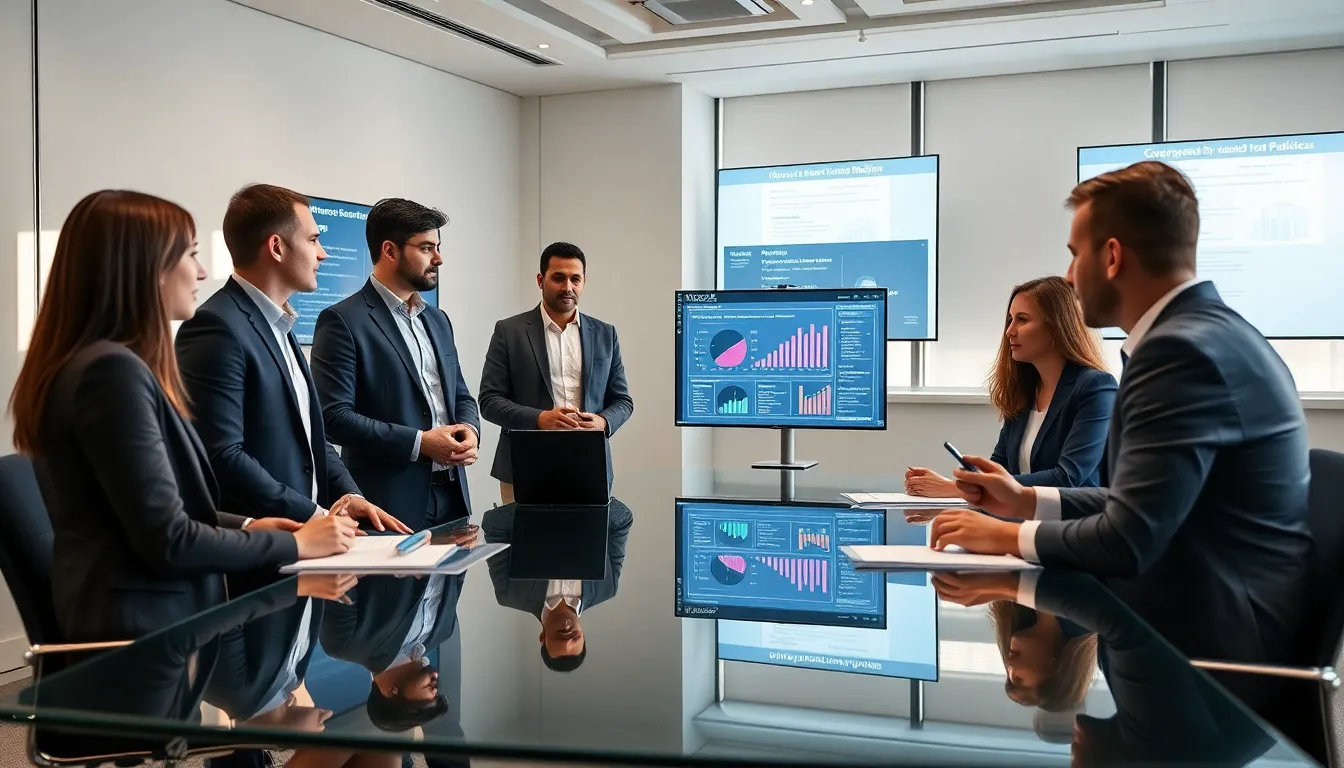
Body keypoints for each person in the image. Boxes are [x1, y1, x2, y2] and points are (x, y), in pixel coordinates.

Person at [928, 161, 1312, 673]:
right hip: (1202, 624)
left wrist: (1004, 535)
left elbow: (1129, 537)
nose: (1070, 276)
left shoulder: (1180, 353)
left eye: (1075, 255)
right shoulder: (1202, 334)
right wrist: (1024, 499)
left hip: (1211, 659)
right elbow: (1140, 502)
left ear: (1111, 257)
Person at [9, 190, 356, 643]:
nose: (203, 271)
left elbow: (150, 513)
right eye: (191, 253)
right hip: (143, 640)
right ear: (146, 266)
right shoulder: (110, 373)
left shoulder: (105, 365)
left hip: (151, 622)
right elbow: (169, 538)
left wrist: (249, 525)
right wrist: (295, 543)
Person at [176, 183, 406, 534]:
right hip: (260, 544)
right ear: (277, 247)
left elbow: (311, 435)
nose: (322, 254)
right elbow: (221, 454)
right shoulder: (216, 326)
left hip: (306, 538)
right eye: (313, 240)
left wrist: (348, 496)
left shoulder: (280, 323)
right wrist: (315, 515)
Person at [311, 198, 480, 531]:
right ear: (389, 250)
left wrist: (470, 431)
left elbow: (460, 394)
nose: (438, 259)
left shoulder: (438, 320)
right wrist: (420, 442)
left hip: (453, 497)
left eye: (438, 248)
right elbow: (334, 418)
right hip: (388, 504)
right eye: (426, 248)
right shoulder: (342, 321)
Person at [905, 276, 1116, 497]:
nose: (1009, 331)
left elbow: (1067, 478)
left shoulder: (1095, 387)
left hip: (1074, 518)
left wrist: (957, 488)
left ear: (1056, 327)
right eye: (1010, 319)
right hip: (1023, 515)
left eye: (1022, 320)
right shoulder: (1025, 389)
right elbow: (1000, 466)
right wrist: (964, 483)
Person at [478, 242, 634, 503]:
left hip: (590, 465)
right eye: (559, 278)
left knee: (589, 532)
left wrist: (603, 422)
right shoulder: (509, 331)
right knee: (525, 532)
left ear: (584, 281)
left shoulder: (605, 334)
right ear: (541, 280)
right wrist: (540, 419)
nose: (568, 287)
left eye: (575, 279)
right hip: (523, 468)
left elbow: (623, 401)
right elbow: (489, 401)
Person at [482, 499, 633, 672]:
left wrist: (544, 506)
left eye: (560, 636)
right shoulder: (606, 588)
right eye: (575, 636)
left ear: (542, 637)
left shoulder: (510, 595)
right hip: (589, 488)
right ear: (584, 635)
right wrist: (589, 501)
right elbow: (622, 520)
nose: (568, 630)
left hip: (530, 489)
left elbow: (493, 525)